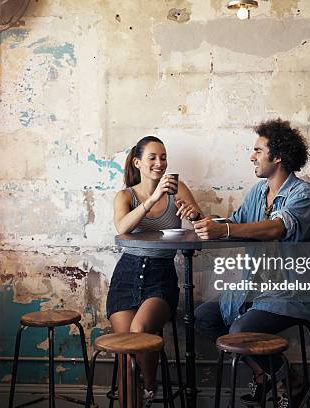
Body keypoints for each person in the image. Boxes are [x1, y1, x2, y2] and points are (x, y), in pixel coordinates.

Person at [192, 118, 310, 407]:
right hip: (254, 290)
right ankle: (264, 376)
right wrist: (203, 220)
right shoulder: (257, 193)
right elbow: (237, 225)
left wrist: (223, 229)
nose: (252, 156)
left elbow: (276, 228)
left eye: (258, 150)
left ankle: (295, 382)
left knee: (240, 331)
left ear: (277, 156)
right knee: (205, 316)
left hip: (294, 291)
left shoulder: (304, 195)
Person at [108, 135, 202, 407]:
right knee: (125, 353)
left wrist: (195, 216)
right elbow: (123, 228)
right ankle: (135, 395)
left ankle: (149, 387)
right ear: (138, 162)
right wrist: (153, 198)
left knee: (138, 331)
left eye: (163, 157)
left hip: (161, 275)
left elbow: (201, 230)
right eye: (152, 157)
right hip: (127, 274)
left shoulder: (178, 189)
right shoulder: (125, 196)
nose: (160, 163)